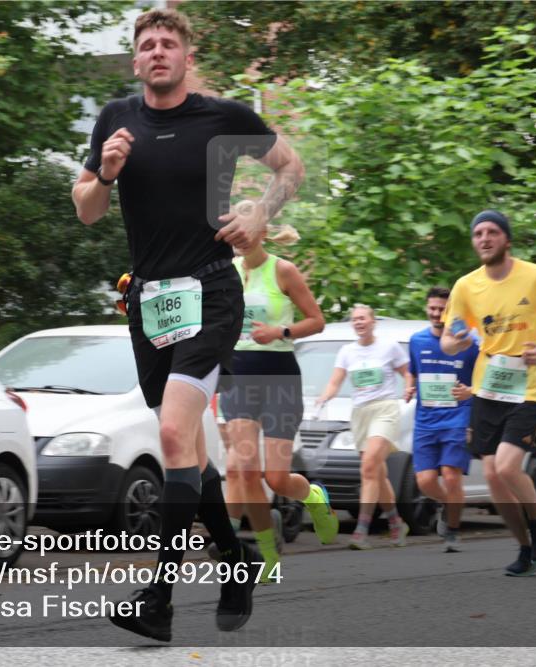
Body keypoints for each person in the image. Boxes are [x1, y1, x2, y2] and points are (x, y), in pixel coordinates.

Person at [72, 8, 304, 642]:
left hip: (209, 290)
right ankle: (236, 563)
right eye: (146, 45)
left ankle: (159, 598)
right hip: (148, 302)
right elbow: (86, 208)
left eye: (167, 43)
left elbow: (292, 167)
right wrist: (107, 174)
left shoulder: (223, 117)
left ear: (186, 56)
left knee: (175, 433)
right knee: (191, 454)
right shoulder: (115, 120)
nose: (157, 52)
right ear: (136, 60)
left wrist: (261, 208)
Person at [440, 210, 536, 576]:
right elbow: (449, 341)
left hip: (531, 384)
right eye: (478, 233)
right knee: (494, 476)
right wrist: (458, 340)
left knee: (507, 465)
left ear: (506, 239)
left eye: (492, 232)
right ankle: (525, 548)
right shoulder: (466, 287)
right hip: (489, 386)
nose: (484, 238)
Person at [219, 224, 337, 581]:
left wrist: (279, 332)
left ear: (260, 232)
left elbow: (317, 321)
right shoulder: (226, 272)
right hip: (237, 375)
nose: (238, 237)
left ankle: (315, 497)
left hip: (279, 378)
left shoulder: (282, 270)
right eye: (233, 231)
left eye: (244, 230)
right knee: (244, 469)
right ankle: (265, 556)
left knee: (277, 477)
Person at [315, 304, 411, 549]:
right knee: (376, 472)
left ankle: (361, 531)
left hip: (385, 409)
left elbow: (407, 372)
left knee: (368, 468)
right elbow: (336, 381)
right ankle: (396, 523)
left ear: (372, 321)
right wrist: (324, 396)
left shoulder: (389, 346)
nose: (358, 322)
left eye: (363, 318)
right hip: (360, 415)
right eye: (355, 319)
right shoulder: (347, 351)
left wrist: (409, 386)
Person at [404, 287, 479, 552]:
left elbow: (484, 375)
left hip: (459, 416)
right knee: (424, 481)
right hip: (425, 419)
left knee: (450, 475)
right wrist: (409, 386)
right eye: (433, 308)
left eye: (442, 309)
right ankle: (452, 506)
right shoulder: (417, 340)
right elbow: (413, 371)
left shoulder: (469, 344)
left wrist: (471, 391)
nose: (436, 314)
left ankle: (453, 531)